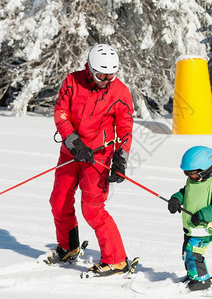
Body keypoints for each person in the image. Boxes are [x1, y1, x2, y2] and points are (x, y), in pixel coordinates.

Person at [47, 44, 134, 276]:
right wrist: (73, 142)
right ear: (90, 68)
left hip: (98, 157)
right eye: (100, 75)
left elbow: (125, 128)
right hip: (72, 152)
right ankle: (68, 247)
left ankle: (116, 260)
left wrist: (120, 158)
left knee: (92, 208)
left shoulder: (120, 92)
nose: (106, 80)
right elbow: (61, 112)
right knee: (59, 201)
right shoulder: (72, 81)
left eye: (111, 75)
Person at [168, 146, 212, 291]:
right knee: (186, 253)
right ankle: (193, 274)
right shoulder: (194, 181)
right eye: (187, 174)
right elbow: (187, 192)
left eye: (193, 174)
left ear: (205, 170)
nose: (190, 177)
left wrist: (202, 215)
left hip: (206, 228)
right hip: (193, 227)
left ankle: (202, 281)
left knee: (194, 253)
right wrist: (177, 199)